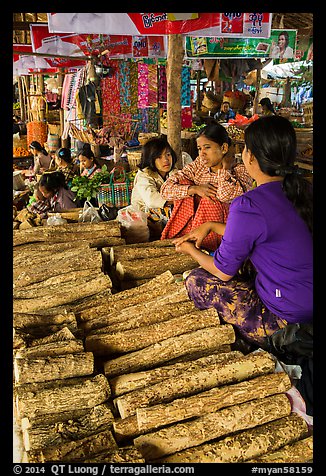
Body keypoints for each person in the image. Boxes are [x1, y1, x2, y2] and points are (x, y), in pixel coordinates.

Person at [172, 115, 313, 348]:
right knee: (246, 263)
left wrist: (189, 250)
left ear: (252, 157)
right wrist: (210, 226)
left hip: (287, 318)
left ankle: (260, 341)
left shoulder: (249, 203)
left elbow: (222, 272)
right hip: (304, 299)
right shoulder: (302, 189)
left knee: (197, 280)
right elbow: (265, 232)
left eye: (245, 148)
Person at [160, 120, 253, 251]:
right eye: (199, 149)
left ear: (224, 148)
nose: (202, 153)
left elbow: (225, 196)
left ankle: (205, 248)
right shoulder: (199, 166)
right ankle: (187, 238)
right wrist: (194, 189)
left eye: (207, 147)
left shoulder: (240, 170)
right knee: (185, 185)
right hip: (195, 226)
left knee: (212, 199)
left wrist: (225, 169)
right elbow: (165, 190)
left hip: (226, 232)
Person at [131, 137, 179, 238]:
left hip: (163, 215)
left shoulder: (173, 172)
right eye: (159, 157)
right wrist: (181, 198)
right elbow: (152, 200)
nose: (165, 160)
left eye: (168, 154)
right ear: (151, 159)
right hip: (143, 217)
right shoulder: (143, 175)